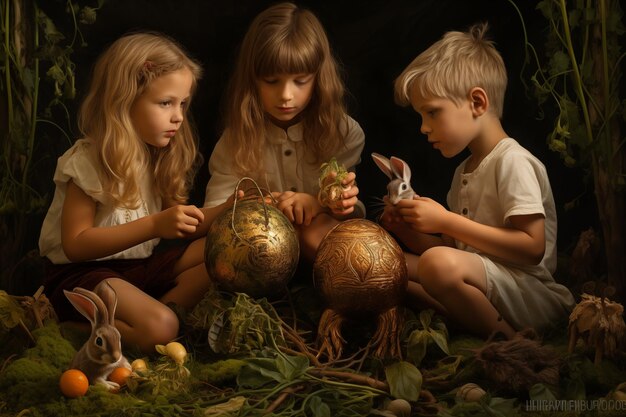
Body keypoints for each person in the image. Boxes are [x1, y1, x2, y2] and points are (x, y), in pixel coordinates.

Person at [39, 32, 234, 353]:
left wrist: (231, 207)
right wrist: (155, 225)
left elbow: (186, 224)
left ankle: (146, 316)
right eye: (165, 103)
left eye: (183, 103)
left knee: (220, 256)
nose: (178, 117)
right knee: (164, 327)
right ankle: (75, 326)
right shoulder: (89, 159)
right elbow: (75, 245)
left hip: (136, 270)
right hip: (82, 275)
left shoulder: (159, 156)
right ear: (124, 98)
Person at [382, 23, 575, 339]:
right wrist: (405, 228)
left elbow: (532, 248)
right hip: (486, 280)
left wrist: (445, 221)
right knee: (395, 266)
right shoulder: (464, 172)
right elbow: (454, 249)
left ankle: (513, 344)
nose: (423, 128)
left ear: (477, 102)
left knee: (434, 266)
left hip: (529, 294)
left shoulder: (512, 161)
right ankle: (473, 319)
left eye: (432, 113)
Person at [204, 2, 365, 261]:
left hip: (321, 245)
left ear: (318, 79)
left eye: (300, 81)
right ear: (253, 80)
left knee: (321, 235)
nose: (286, 96)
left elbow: (348, 214)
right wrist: (265, 205)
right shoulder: (235, 140)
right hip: (259, 254)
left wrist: (323, 203)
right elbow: (215, 218)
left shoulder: (343, 132)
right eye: (271, 81)